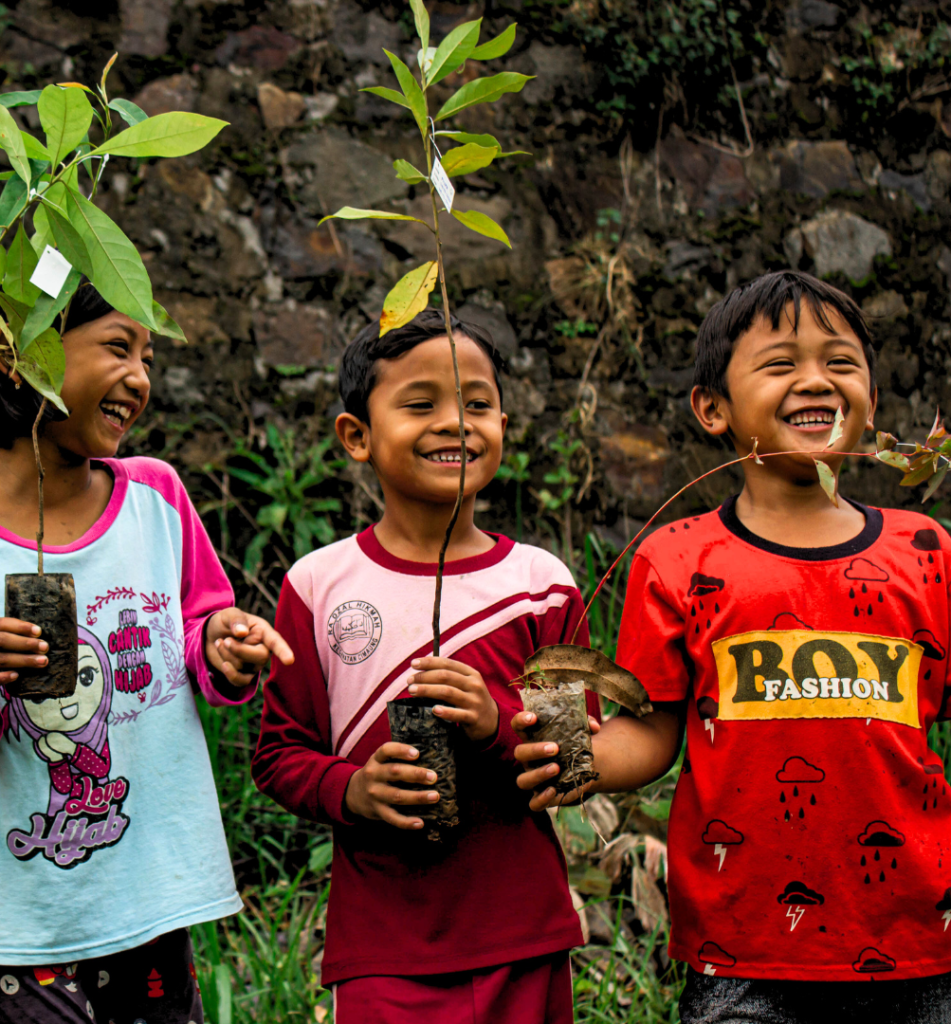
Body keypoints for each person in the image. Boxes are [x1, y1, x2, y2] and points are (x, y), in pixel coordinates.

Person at [513, 269, 951, 1022]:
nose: (815, 381)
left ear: (872, 401)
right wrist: (577, 758)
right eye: (781, 365)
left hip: (916, 936)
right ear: (712, 409)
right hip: (739, 945)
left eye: (840, 363)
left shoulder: (927, 552)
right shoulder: (679, 558)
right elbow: (653, 730)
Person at [0, 284, 293, 1023]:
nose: (140, 378)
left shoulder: (157, 498)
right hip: (12, 908)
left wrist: (222, 647)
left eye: (148, 357)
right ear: (14, 352)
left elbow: (196, 629)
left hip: (147, 886)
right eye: (118, 348)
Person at [252, 309, 597, 1024]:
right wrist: (353, 790)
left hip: (522, 934)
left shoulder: (541, 584)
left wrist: (494, 722)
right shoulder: (319, 586)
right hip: (384, 946)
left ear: (504, 422)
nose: (455, 423)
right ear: (357, 436)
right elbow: (280, 753)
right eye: (421, 404)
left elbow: (577, 754)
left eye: (477, 404)